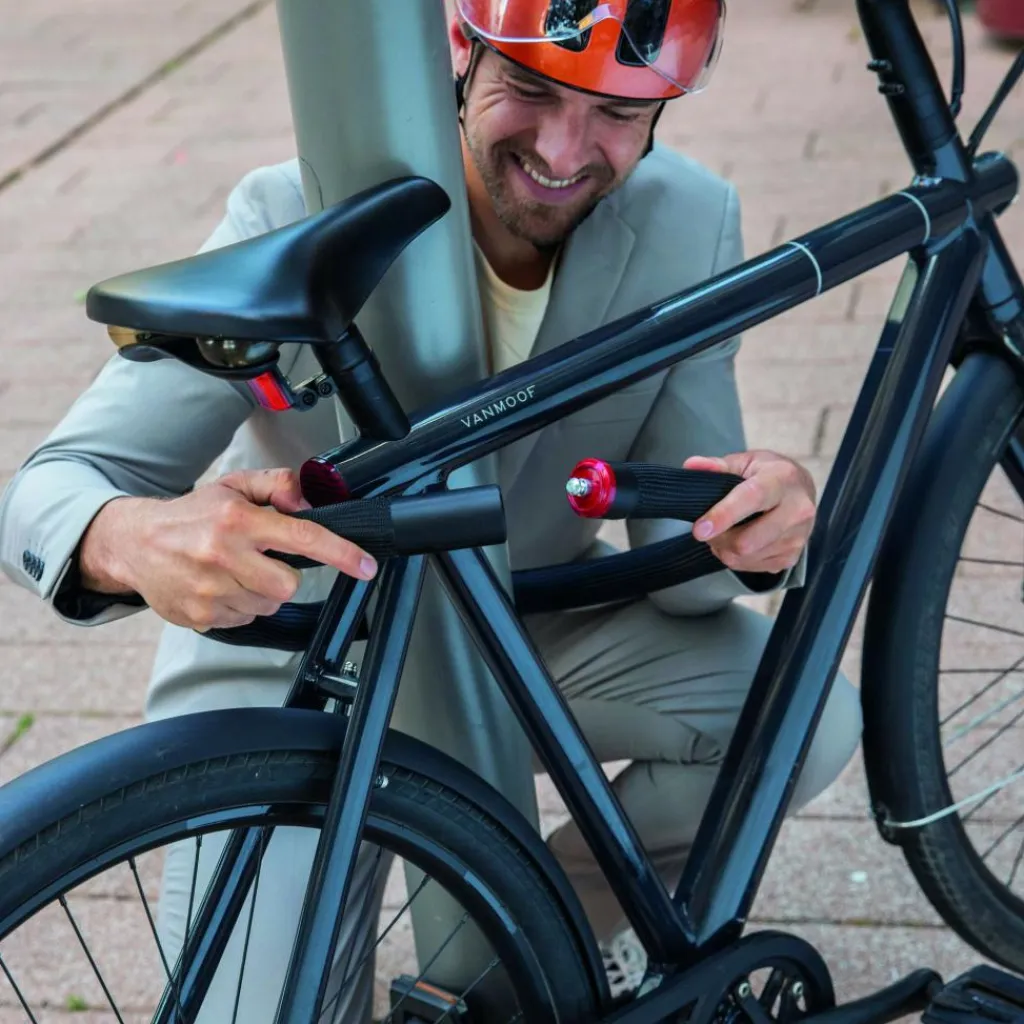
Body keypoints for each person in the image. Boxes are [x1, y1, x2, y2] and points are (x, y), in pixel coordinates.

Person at [0, 0, 862, 1018]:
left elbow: (685, 558)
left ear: (662, 109)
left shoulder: (689, 221)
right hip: (299, 656)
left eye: (617, 114)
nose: (562, 149)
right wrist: (134, 536)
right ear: (461, 49)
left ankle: (554, 939)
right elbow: (52, 486)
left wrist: (756, 521)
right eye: (529, 89)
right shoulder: (291, 208)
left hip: (521, 635)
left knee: (805, 712)